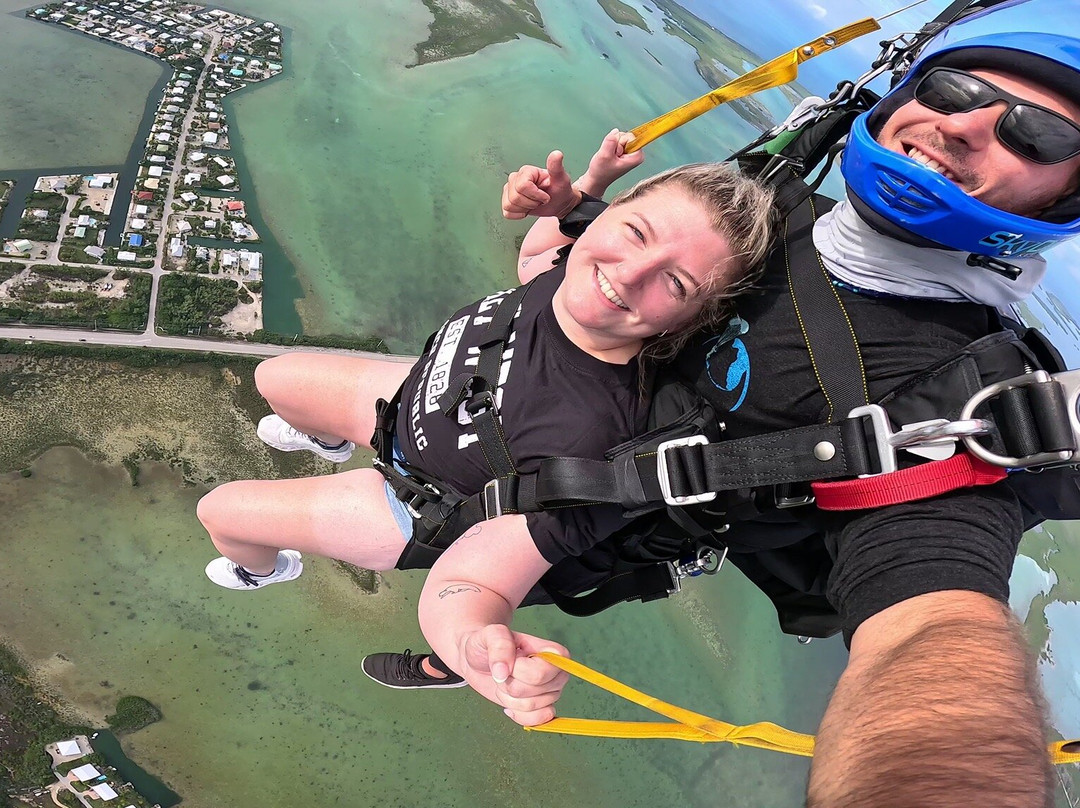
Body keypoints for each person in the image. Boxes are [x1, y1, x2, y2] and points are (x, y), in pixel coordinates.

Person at [402, 4, 1080, 805]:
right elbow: (612, 257)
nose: (962, 125)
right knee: (299, 384)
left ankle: (453, 653)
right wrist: (575, 207)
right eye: (954, 88)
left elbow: (931, 632)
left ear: (1064, 197)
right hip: (485, 393)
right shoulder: (780, 199)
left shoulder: (946, 401)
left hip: (505, 522)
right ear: (904, 95)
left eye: (1036, 135)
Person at [194, 150, 776, 688]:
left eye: (675, 283)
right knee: (273, 378)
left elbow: (476, 580)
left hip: (413, 504)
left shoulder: (593, 441)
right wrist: (580, 191)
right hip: (418, 401)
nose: (628, 274)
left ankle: (261, 570)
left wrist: (473, 643)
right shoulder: (568, 276)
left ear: (693, 321)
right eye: (635, 231)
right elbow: (534, 256)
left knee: (220, 513)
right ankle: (328, 443)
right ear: (604, 216)